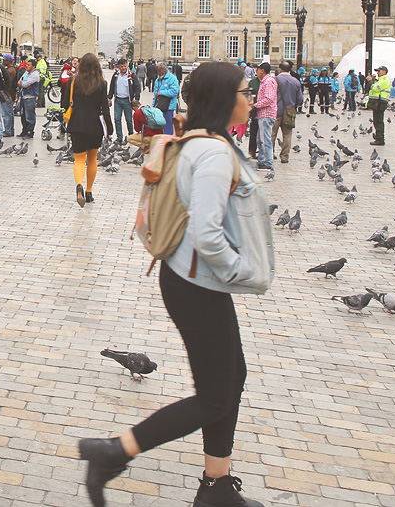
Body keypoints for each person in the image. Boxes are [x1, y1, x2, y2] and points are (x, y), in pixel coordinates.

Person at [79, 60, 270, 507]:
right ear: (225, 99)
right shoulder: (214, 153)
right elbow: (207, 233)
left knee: (231, 378)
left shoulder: (200, 141)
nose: (251, 98)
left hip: (191, 279)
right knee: (216, 396)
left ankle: (217, 484)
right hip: (196, 284)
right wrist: (244, 272)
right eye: (245, 91)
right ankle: (113, 452)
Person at [67, 53, 114, 207]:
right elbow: (105, 108)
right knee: (92, 159)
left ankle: (79, 184)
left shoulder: (74, 81)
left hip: (77, 124)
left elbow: (65, 102)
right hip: (94, 125)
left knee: (79, 159)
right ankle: (88, 192)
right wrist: (109, 127)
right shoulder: (101, 83)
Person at [271, 62, 302, 164]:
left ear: (280, 69)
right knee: (287, 135)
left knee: (272, 134)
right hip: (289, 112)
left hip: (275, 111)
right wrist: (293, 106)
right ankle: (284, 156)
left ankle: (270, 154)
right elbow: (300, 98)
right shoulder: (296, 81)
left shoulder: (274, 80)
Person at [251, 63, 277, 169]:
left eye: (257, 69)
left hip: (266, 114)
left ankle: (268, 162)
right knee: (260, 139)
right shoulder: (264, 81)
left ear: (262, 70)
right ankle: (262, 160)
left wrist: (255, 105)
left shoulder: (268, 81)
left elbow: (269, 99)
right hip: (262, 114)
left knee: (265, 139)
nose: (256, 72)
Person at [109, 58, 141, 141]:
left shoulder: (132, 76)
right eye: (122, 66)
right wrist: (109, 97)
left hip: (128, 101)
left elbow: (137, 88)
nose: (124, 68)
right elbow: (112, 87)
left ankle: (131, 136)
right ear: (118, 66)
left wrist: (136, 99)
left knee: (129, 120)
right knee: (117, 119)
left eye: (125, 66)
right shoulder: (116, 75)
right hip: (118, 100)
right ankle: (119, 137)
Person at [154, 63, 181, 135]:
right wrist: (153, 106)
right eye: (157, 71)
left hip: (169, 107)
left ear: (164, 70)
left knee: (168, 128)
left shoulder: (172, 78)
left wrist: (161, 93)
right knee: (159, 128)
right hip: (159, 106)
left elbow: (174, 92)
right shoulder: (157, 80)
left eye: (160, 71)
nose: (158, 73)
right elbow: (155, 95)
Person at [368, 66, 393, 146]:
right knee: (377, 121)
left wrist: (370, 81)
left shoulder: (384, 80)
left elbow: (375, 88)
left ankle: (380, 139)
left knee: (378, 121)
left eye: (379, 71)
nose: (378, 73)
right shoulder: (380, 80)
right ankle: (378, 137)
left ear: (384, 71)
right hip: (378, 102)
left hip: (380, 103)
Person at [18, 59, 42, 139]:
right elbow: (19, 82)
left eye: (29, 65)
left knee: (29, 116)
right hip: (23, 96)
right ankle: (24, 131)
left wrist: (23, 84)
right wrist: (23, 84)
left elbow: (25, 84)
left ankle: (30, 132)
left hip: (30, 97)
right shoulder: (26, 73)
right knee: (23, 115)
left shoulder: (35, 74)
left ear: (33, 66)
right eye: (26, 64)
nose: (27, 66)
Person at [0, 54, 18, 137]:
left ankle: (8, 130)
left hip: (8, 94)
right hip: (11, 94)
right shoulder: (12, 69)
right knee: (10, 113)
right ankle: (10, 130)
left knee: (6, 113)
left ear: (8, 61)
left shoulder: (10, 71)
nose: (3, 61)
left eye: (4, 60)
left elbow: (7, 84)